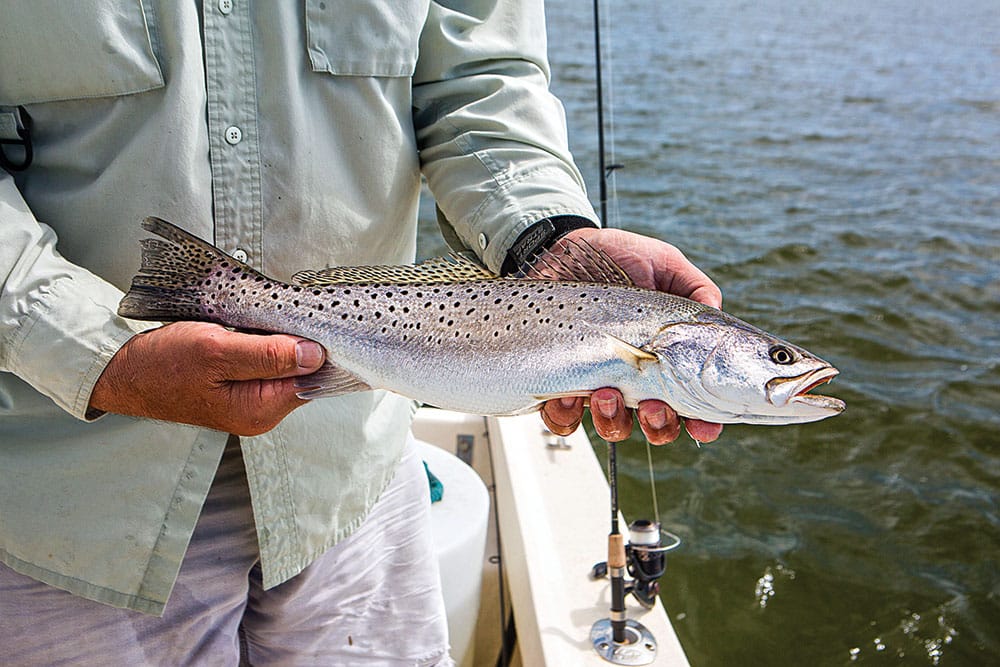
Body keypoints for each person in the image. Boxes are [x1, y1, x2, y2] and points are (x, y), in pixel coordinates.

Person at [0, 2, 720, 664]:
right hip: (66, 507)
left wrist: (549, 237)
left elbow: (481, 78)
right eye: (776, 357)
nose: (789, 369)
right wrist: (95, 352)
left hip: (354, 472)